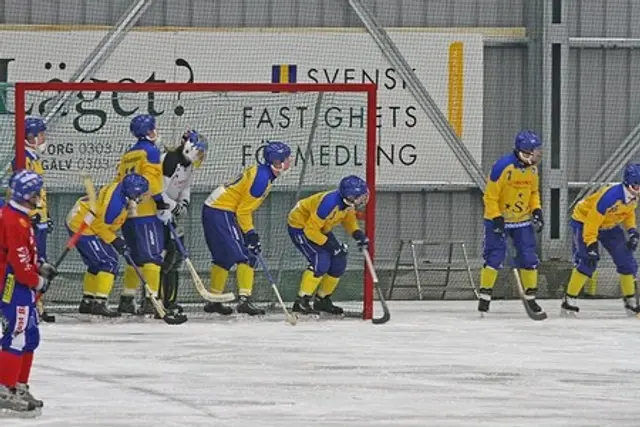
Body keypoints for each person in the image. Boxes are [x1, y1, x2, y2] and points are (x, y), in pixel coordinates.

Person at [201, 140, 291, 316]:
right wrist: (251, 234)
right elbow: (243, 212)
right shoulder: (262, 180)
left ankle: (214, 300)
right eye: (287, 159)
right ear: (277, 162)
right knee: (247, 255)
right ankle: (244, 300)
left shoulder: (262, 172)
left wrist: (248, 232)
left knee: (223, 257)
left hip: (215, 208)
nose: (290, 162)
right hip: (221, 210)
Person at [0, 170, 57, 415]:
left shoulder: (21, 216)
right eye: (36, 192)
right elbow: (19, 261)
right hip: (13, 285)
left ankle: (19, 386)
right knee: (17, 334)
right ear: (27, 194)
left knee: (30, 336)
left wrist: (39, 265)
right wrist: (36, 280)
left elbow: (26, 253)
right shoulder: (13, 220)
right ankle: (5, 389)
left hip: (22, 283)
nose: (40, 196)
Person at [479, 130, 544, 315]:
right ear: (524, 150)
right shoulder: (502, 167)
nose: (537, 155)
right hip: (499, 220)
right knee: (495, 257)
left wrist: (536, 210)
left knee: (529, 257)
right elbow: (490, 196)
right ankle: (485, 295)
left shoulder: (532, 169)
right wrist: (496, 216)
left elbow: (533, 192)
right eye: (534, 151)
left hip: (521, 220)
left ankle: (531, 296)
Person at [561, 164, 640, 316]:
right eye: (637, 186)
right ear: (628, 184)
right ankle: (568, 301)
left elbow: (628, 213)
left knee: (626, 260)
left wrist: (632, 231)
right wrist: (591, 243)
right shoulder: (610, 197)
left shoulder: (633, 196)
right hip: (584, 222)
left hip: (609, 225)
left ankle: (630, 300)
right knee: (588, 261)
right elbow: (592, 220)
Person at [66, 174, 149, 317]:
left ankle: (88, 301)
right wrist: (115, 241)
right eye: (140, 193)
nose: (142, 196)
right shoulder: (114, 206)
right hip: (83, 225)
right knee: (109, 262)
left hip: (82, 217)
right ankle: (100, 303)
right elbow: (100, 226)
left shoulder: (120, 189)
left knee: (95, 263)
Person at [287, 175, 370, 315]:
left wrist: (357, 234)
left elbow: (348, 219)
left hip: (320, 228)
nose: (363, 199)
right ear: (350, 196)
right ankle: (301, 301)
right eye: (360, 196)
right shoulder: (329, 204)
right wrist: (331, 246)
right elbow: (310, 231)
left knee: (339, 260)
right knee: (321, 260)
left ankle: (322, 299)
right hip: (301, 227)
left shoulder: (348, 204)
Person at [115, 114, 170, 315]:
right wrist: (160, 201)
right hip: (146, 212)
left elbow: (118, 180)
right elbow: (152, 180)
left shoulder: (127, 154)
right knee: (153, 257)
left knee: (135, 258)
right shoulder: (151, 151)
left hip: (128, 214)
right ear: (149, 131)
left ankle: (127, 299)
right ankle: (152, 299)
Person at [158, 129, 208, 314]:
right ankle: (155, 300)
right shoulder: (170, 161)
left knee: (176, 257)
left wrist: (183, 203)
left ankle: (170, 301)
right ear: (190, 147)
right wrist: (172, 206)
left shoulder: (188, 165)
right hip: (158, 213)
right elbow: (159, 190)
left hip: (172, 213)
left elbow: (185, 186)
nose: (201, 155)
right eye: (200, 151)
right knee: (164, 257)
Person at [10, 117, 54, 323]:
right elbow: (24, 191)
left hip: (39, 217)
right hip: (31, 219)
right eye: (42, 134)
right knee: (31, 262)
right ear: (30, 136)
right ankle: (33, 304)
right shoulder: (22, 157)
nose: (44, 139)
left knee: (40, 261)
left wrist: (46, 215)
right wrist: (34, 216)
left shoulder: (33, 157)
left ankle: (37, 304)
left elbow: (40, 192)